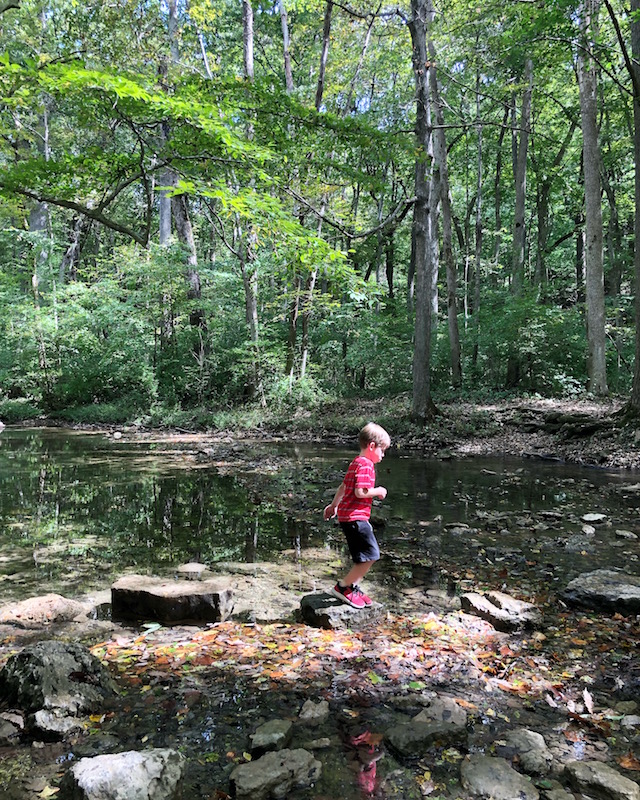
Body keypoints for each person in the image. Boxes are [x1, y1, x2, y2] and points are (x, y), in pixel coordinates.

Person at [323, 422, 391, 609]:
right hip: (355, 518)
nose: (383, 455)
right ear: (371, 446)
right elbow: (360, 492)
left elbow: (344, 487)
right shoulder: (366, 465)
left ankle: (352, 586)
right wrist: (378, 490)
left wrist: (333, 505)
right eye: (382, 450)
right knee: (371, 555)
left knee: (365, 555)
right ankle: (343, 587)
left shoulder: (355, 462)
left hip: (348, 516)